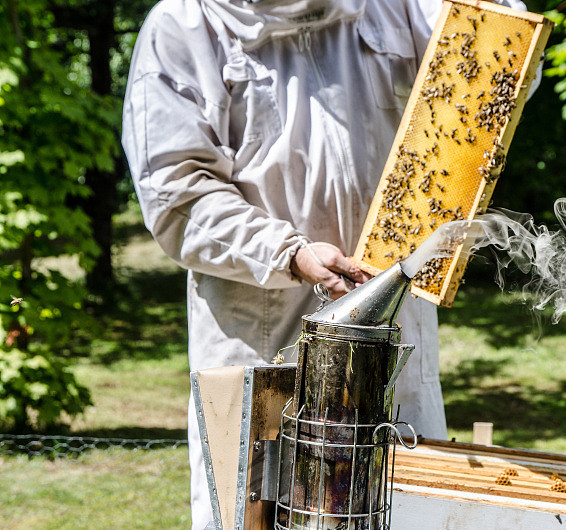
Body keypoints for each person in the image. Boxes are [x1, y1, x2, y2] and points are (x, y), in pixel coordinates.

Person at [122, 0, 531, 527]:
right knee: (272, 512)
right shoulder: (185, 25)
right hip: (269, 351)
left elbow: (495, 57)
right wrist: (286, 251)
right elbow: (176, 194)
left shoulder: (394, 5)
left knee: (404, 509)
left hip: (392, 331)